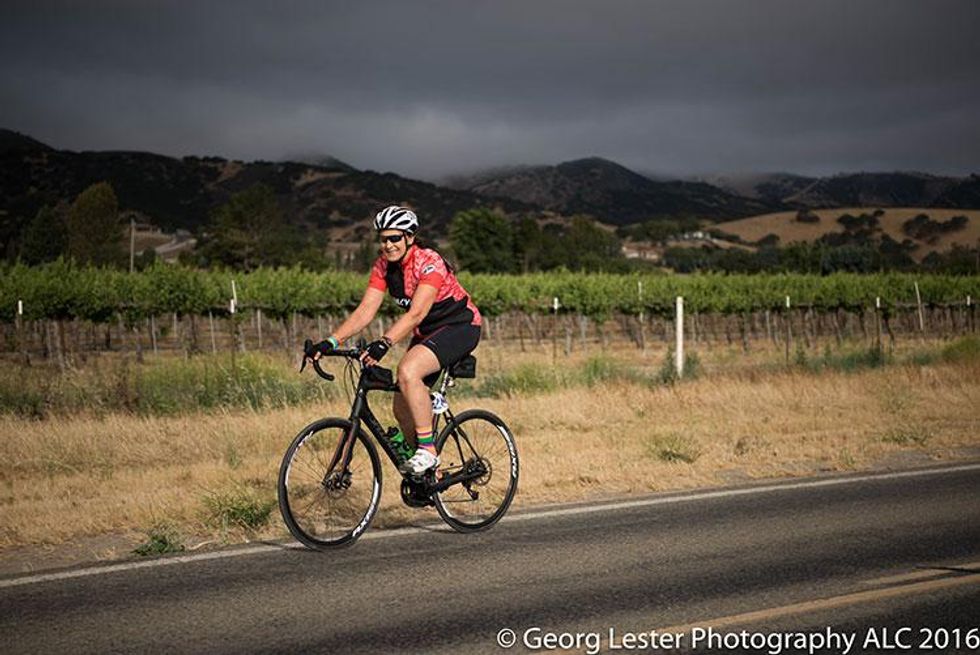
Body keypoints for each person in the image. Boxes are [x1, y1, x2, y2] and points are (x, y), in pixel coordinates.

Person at [311, 206, 482, 474]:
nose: (388, 245)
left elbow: (417, 313)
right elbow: (365, 311)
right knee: (402, 407)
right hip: (428, 333)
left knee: (408, 371)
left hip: (460, 326)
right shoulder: (383, 266)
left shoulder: (429, 262)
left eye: (394, 238)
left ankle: (428, 451)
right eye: (383, 239)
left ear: (409, 237)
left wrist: (384, 343)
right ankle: (430, 476)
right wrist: (331, 342)